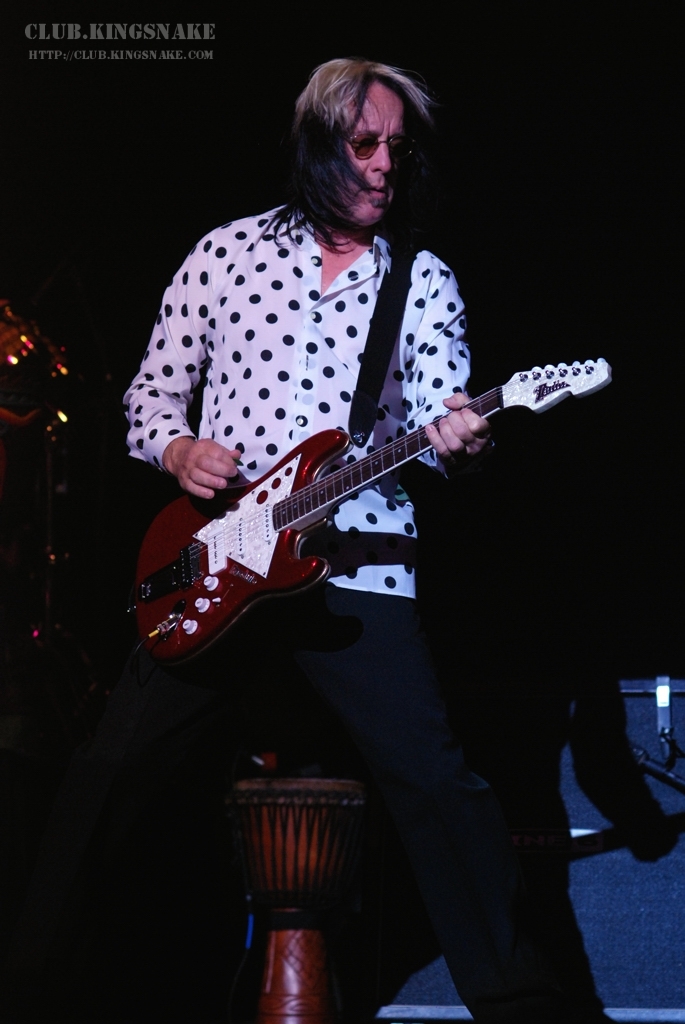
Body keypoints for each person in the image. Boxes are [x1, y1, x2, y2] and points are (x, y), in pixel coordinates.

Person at [7, 59, 578, 1023]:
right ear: (316, 145)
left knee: (440, 788)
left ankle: (522, 1003)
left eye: (397, 148)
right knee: (107, 776)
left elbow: (439, 417)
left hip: (358, 570)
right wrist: (177, 447)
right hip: (217, 566)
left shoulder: (419, 278)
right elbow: (149, 396)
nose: (386, 164)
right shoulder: (224, 254)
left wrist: (464, 438)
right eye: (364, 144)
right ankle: (27, 991)